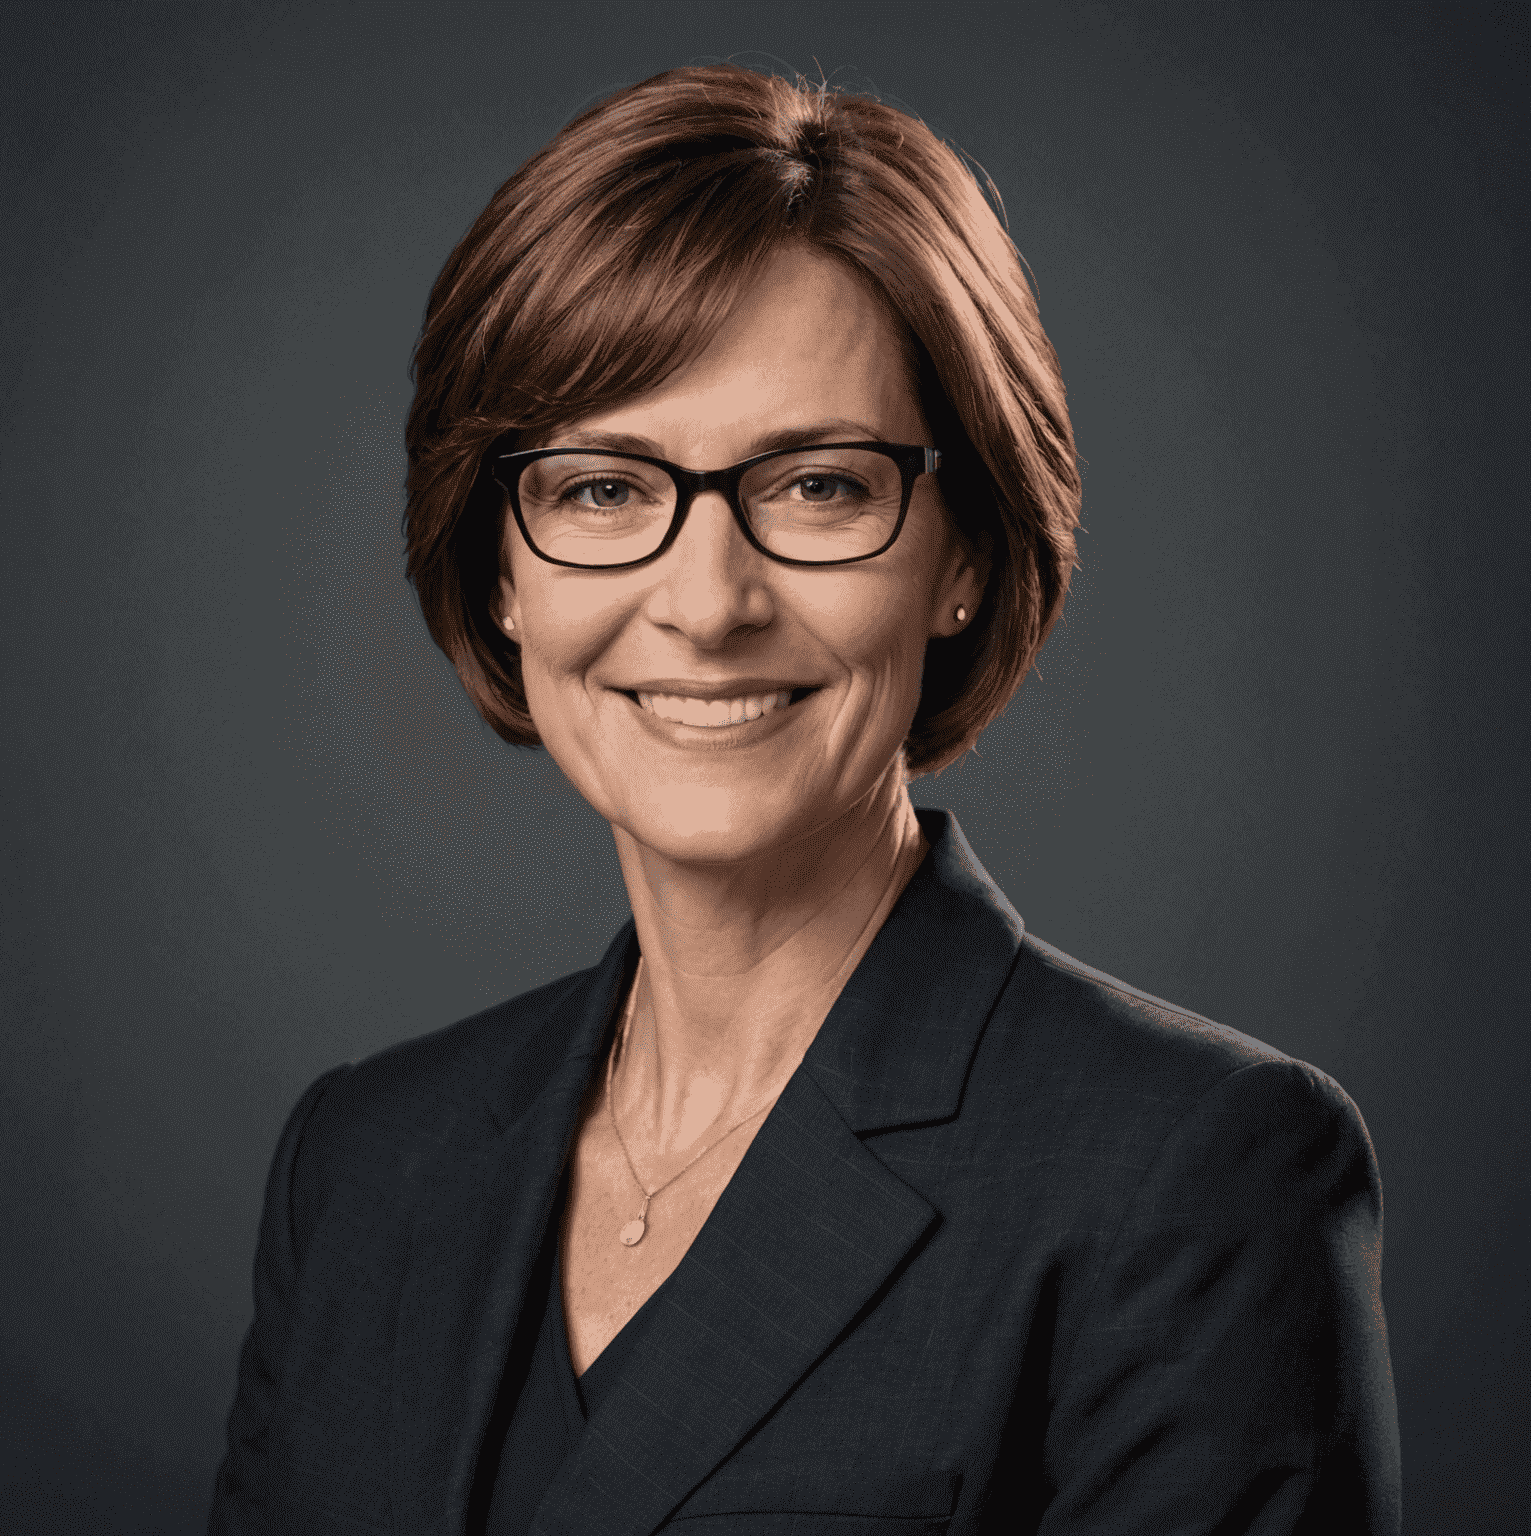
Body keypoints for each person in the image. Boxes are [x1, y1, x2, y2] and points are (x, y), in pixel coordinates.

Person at [208, 63, 1400, 1536]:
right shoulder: (363, 1165)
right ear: (499, 567)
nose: (706, 603)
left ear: (963, 555)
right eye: (599, 488)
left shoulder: (1196, 1180)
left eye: (821, 486)